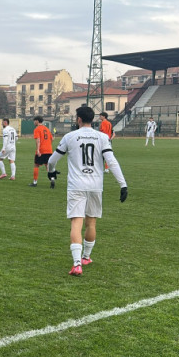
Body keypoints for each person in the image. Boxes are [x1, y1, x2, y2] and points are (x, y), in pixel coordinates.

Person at [47, 106, 128, 276]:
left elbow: (52, 160)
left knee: (76, 223)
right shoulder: (102, 137)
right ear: (93, 119)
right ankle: (86, 257)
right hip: (95, 185)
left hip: (76, 185)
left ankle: (77, 264)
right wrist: (123, 184)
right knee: (91, 223)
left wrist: (51, 172)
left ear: (78, 119)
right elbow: (111, 161)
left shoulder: (70, 137)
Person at [30, 116, 54, 187]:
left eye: (34, 121)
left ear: (37, 121)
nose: (34, 122)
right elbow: (52, 139)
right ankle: (52, 179)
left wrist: (38, 150)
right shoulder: (46, 128)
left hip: (41, 150)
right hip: (49, 150)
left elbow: (38, 140)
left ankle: (35, 182)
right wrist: (48, 145)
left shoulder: (37, 129)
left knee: (36, 165)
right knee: (47, 166)